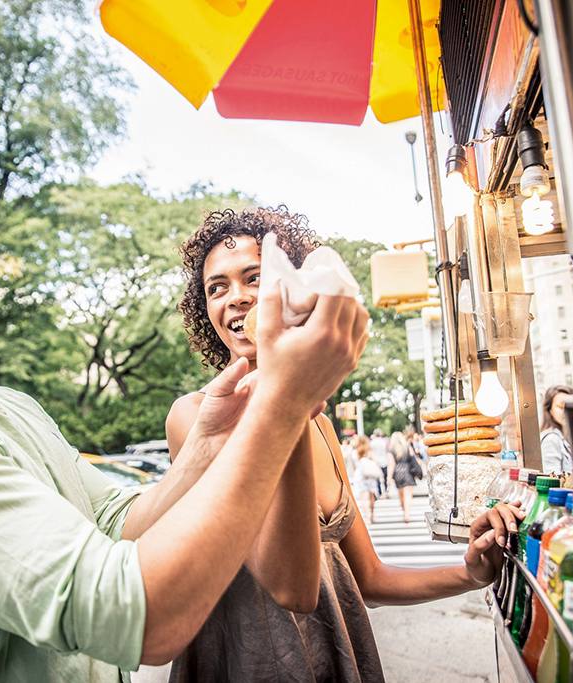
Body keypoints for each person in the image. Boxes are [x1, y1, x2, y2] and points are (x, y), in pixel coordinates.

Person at [0, 136, 372, 682]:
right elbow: (141, 618)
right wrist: (284, 399)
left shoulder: (7, 408)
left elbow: (117, 526)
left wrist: (206, 446)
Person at [167, 207, 525, 682]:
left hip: (336, 657)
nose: (236, 298)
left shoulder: (320, 426)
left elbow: (368, 581)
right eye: (217, 287)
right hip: (247, 665)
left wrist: (472, 573)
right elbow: (288, 588)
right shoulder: (196, 418)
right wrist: (286, 392)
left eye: (254, 277)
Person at [540, 384, 573, 475]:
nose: (566, 411)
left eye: (570, 406)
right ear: (550, 410)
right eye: (561, 407)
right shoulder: (551, 439)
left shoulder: (570, 437)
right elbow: (553, 481)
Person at [388, 431, 421, 523]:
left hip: (397, 474)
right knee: (408, 496)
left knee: (401, 495)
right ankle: (407, 514)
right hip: (408, 473)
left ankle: (404, 511)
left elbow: (391, 464)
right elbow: (414, 459)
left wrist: (389, 478)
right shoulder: (407, 447)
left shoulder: (391, 450)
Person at [352, 434, 381, 523]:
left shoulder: (355, 452)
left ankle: (367, 516)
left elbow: (354, 466)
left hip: (360, 476)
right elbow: (376, 462)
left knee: (364, 498)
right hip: (370, 476)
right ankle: (372, 514)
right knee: (372, 497)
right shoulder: (369, 451)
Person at [369, 429, 392, 496]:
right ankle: (386, 490)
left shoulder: (372, 442)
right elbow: (387, 451)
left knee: (377, 477)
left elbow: (371, 453)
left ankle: (379, 492)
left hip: (376, 461)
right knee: (385, 476)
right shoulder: (384, 441)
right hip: (384, 460)